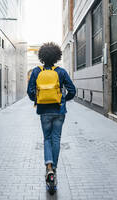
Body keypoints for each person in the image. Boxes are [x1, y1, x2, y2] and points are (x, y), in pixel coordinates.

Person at [27, 42, 76, 184]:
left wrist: (38, 100)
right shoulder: (61, 72)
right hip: (59, 110)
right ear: (57, 57)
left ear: (42, 57)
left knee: (47, 138)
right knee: (56, 139)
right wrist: (63, 100)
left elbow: (30, 92)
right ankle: (54, 168)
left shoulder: (36, 71)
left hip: (44, 111)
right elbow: (72, 90)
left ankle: (48, 166)